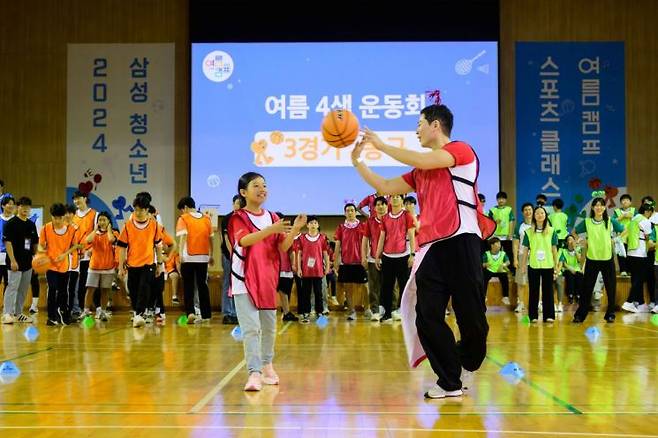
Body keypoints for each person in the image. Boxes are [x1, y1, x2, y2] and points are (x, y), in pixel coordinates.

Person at [352, 95, 495, 399]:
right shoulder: (420, 171)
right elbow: (386, 187)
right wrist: (358, 162)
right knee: (426, 315)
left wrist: (381, 145)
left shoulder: (460, 151)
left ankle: (466, 362)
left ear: (435, 125)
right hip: (432, 249)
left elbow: (422, 159)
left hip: (463, 241)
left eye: (418, 125)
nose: (416, 131)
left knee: (472, 316)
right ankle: (449, 379)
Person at [227, 172, 306, 391]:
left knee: (270, 328)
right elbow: (244, 240)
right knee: (251, 329)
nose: (262, 189)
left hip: (267, 279)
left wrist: (296, 229)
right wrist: (271, 230)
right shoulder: (238, 217)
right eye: (256, 185)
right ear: (244, 192)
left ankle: (267, 365)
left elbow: (282, 247)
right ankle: (254, 373)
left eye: (264, 185)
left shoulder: (271, 216)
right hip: (244, 279)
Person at [572, 196, 625, 323]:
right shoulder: (587, 221)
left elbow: (624, 230)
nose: (599, 207)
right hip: (592, 258)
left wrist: (615, 239)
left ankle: (610, 314)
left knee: (610, 287)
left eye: (601, 205)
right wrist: (581, 241)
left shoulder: (611, 221)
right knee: (587, 288)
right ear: (592, 207)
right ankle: (580, 314)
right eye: (596, 205)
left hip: (607, 258)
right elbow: (574, 232)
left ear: (604, 207)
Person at [117, 195, 163, 328]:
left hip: (148, 263)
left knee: (144, 287)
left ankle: (139, 314)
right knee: (133, 289)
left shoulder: (154, 225)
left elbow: (158, 246)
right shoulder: (128, 225)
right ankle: (137, 313)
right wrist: (121, 266)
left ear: (147, 210)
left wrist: (159, 264)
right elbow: (122, 248)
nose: (137, 212)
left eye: (141, 210)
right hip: (132, 264)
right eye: (135, 210)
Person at [375, 194, 416, 323]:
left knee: (404, 285)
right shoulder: (385, 217)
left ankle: (403, 312)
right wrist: (377, 255)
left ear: (402, 200)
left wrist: (412, 254)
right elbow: (382, 237)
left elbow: (411, 235)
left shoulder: (407, 216)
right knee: (386, 286)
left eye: (398, 196)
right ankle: (387, 313)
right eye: (392, 196)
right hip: (387, 256)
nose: (395, 198)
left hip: (403, 256)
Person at [39, 203, 80, 325]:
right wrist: (42, 253)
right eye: (54, 217)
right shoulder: (45, 228)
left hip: (64, 265)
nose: (57, 220)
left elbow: (75, 246)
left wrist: (64, 254)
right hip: (50, 265)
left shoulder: (71, 230)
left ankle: (63, 312)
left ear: (64, 217)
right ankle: (51, 317)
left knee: (63, 291)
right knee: (52, 289)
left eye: (59, 218)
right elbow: (41, 245)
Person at [2, 197, 39, 324]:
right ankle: (7, 313)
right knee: (12, 287)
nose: (25, 209)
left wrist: (36, 259)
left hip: (27, 263)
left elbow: (33, 243)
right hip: (14, 263)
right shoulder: (11, 223)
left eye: (28, 207)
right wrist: (12, 260)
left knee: (23, 289)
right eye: (23, 206)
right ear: (18, 207)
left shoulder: (31, 224)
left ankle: (18, 313)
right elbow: (8, 243)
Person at [176, 196, 214, 323]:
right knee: (203, 285)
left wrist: (181, 254)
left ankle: (190, 312)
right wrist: (211, 255)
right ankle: (206, 314)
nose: (182, 212)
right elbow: (211, 239)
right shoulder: (207, 218)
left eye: (182, 210)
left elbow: (183, 237)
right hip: (203, 257)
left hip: (188, 257)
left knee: (188, 286)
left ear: (185, 207)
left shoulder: (184, 218)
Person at [519, 206, 558, 323]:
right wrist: (523, 266)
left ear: (545, 215)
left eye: (542, 213)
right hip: (533, 265)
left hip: (548, 265)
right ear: (534, 216)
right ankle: (533, 316)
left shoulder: (551, 231)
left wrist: (556, 266)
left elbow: (554, 249)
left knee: (548, 291)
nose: (540, 215)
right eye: (537, 213)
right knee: (534, 291)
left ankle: (549, 315)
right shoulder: (528, 232)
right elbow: (525, 250)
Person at [334, 203, 368, 321]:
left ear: (355, 212)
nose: (350, 212)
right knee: (348, 288)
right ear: (345, 213)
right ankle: (351, 311)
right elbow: (338, 245)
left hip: (360, 262)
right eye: (347, 210)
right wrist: (336, 261)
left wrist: (365, 258)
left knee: (365, 287)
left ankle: (367, 309)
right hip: (346, 263)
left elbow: (366, 243)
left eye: (352, 210)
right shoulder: (341, 227)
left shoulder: (362, 226)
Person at [296, 215, 330, 323]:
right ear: (307, 225)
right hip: (306, 271)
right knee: (306, 293)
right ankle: (306, 312)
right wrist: (299, 268)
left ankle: (319, 312)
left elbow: (325, 254)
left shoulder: (322, 238)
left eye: (315, 223)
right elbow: (299, 254)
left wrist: (328, 266)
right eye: (311, 223)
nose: (313, 225)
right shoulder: (302, 238)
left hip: (318, 271)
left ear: (318, 225)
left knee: (318, 292)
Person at [621, 203, 654, 313]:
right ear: (646, 211)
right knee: (639, 279)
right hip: (639, 252)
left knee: (635, 278)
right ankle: (629, 302)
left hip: (631, 252)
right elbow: (648, 237)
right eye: (650, 212)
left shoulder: (634, 218)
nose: (650, 215)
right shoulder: (645, 221)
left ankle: (638, 302)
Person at [71, 191, 99, 318]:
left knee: (93, 283)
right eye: (74, 199)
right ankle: (82, 309)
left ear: (85, 198)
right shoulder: (72, 216)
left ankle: (98, 308)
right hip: (78, 256)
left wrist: (91, 249)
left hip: (91, 255)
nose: (76, 201)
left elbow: (98, 233)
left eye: (79, 198)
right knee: (80, 283)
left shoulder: (94, 214)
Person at [362, 196, 386, 321]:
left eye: (383, 204)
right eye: (378, 205)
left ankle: (389, 310)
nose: (380, 207)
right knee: (374, 286)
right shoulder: (370, 221)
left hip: (389, 258)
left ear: (387, 206)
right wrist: (363, 257)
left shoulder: (391, 219)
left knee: (390, 286)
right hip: (372, 259)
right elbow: (365, 239)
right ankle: (375, 311)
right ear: (374, 208)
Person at [219, 195, 240, 324]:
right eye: (237, 203)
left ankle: (237, 313)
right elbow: (226, 239)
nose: (239, 206)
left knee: (239, 285)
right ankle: (228, 312)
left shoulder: (244, 218)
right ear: (233, 204)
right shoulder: (228, 218)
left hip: (241, 258)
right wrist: (233, 255)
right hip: (229, 256)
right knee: (228, 283)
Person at [275, 212, 298, 322]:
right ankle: (286, 312)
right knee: (281, 291)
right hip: (274, 268)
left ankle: (286, 312)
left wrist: (293, 264)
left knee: (285, 291)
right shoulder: (269, 235)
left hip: (285, 268)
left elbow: (291, 252)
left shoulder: (286, 236)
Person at [512, 202, 534, 313]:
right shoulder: (519, 226)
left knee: (536, 282)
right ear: (522, 212)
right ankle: (520, 304)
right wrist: (515, 258)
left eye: (530, 209)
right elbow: (515, 243)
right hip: (522, 256)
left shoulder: (538, 225)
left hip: (536, 257)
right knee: (521, 282)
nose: (528, 212)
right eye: (525, 210)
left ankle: (539, 303)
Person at [488, 192, 515, 275]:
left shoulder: (509, 209)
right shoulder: (492, 210)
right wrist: (494, 222)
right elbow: (489, 222)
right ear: (497, 200)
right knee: (495, 253)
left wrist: (510, 234)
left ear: (505, 200)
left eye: (503, 199)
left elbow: (511, 221)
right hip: (495, 236)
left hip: (506, 236)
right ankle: (493, 269)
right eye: (499, 199)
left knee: (509, 253)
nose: (501, 200)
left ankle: (512, 271)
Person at [482, 237, 510, 305]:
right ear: (492, 245)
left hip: (500, 270)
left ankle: (505, 297)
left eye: (500, 244)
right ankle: (484, 296)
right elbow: (483, 264)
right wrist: (486, 264)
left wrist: (503, 265)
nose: (499, 245)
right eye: (497, 244)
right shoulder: (486, 253)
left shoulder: (503, 253)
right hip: (490, 270)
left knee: (505, 277)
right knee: (484, 278)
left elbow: (508, 262)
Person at [557, 234, 583, 305]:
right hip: (567, 268)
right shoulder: (563, 251)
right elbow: (564, 263)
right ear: (566, 242)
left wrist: (574, 249)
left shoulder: (578, 249)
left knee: (579, 275)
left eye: (572, 239)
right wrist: (570, 268)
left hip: (576, 268)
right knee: (569, 275)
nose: (570, 241)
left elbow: (580, 260)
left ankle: (578, 295)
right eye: (569, 239)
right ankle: (570, 295)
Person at [613, 194, 635, 277]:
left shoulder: (634, 210)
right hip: (621, 235)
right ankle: (623, 270)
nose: (625, 201)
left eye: (627, 200)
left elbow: (639, 219)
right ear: (621, 203)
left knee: (631, 253)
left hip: (632, 235)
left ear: (630, 202)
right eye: (623, 200)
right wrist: (621, 217)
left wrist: (631, 216)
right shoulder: (617, 211)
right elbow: (613, 221)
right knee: (621, 253)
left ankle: (630, 270)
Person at [0, 196, 16, 296]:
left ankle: (7, 307)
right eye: (8, 203)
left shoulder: (16, 220)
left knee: (9, 283)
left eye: (12, 203)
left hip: (11, 256)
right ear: (2, 205)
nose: (10, 205)